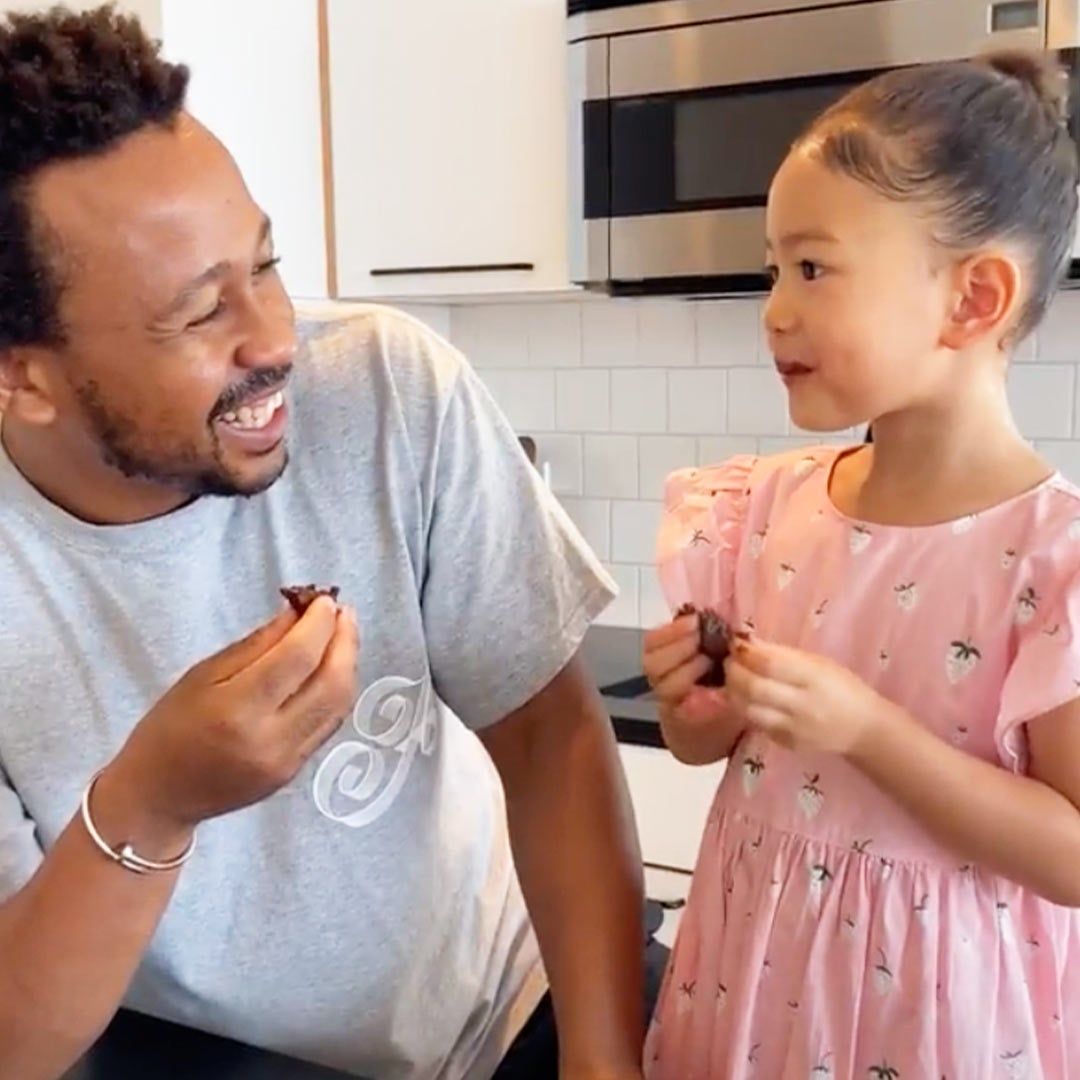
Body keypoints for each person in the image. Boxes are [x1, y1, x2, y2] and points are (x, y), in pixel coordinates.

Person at [0, 7, 648, 1079]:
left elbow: (552, 743)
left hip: (520, 1000)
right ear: (23, 375)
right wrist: (150, 804)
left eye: (267, 266)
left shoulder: (389, 385)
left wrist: (604, 1059)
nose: (274, 338)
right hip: (210, 1055)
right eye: (199, 315)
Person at [642, 51, 1080, 1078]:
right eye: (772, 268)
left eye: (813, 266)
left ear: (972, 299)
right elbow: (710, 751)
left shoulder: (1053, 560)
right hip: (749, 987)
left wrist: (867, 731)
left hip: (936, 1023)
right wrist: (695, 713)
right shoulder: (755, 512)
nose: (775, 308)